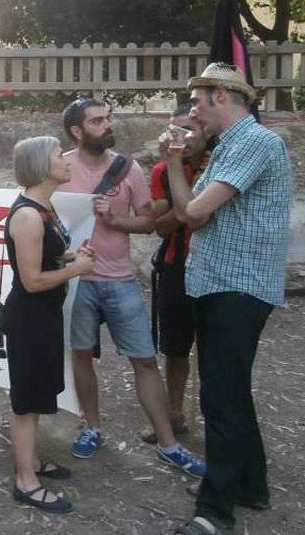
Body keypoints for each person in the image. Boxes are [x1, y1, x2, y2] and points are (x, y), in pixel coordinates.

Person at [163, 64, 292, 535]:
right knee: (230, 391)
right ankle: (251, 486)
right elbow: (184, 212)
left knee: (219, 399)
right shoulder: (227, 149)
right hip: (216, 283)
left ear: (220, 95)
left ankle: (214, 513)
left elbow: (192, 213)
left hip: (238, 287)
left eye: (198, 102)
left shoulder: (255, 142)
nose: (193, 112)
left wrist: (177, 166)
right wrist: (176, 161)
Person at [58, 98, 205, 477]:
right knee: (80, 356)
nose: (107, 125)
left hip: (119, 279)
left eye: (108, 118)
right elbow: (42, 216)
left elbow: (147, 225)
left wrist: (115, 219)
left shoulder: (129, 170)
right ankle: (91, 426)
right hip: (77, 280)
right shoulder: (60, 167)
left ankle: (168, 442)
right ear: (77, 130)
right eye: (97, 121)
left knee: (143, 360)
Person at [4, 136, 95, 515]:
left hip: (42, 316)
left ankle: (32, 461)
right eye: (60, 155)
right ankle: (26, 481)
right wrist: (76, 268)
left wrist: (70, 255)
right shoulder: (27, 216)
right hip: (29, 318)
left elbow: (46, 259)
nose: (68, 160)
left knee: (37, 391)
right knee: (26, 401)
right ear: (42, 165)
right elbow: (31, 281)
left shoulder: (45, 207)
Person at [140, 105, 209, 443]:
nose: (177, 137)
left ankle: (216, 419)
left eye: (186, 129)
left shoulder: (220, 164)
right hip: (175, 266)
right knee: (176, 347)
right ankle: (174, 413)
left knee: (215, 348)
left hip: (213, 266)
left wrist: (189, 207)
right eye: (172, 130)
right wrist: (190, 207)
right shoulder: (162, 171)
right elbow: (160, 225)